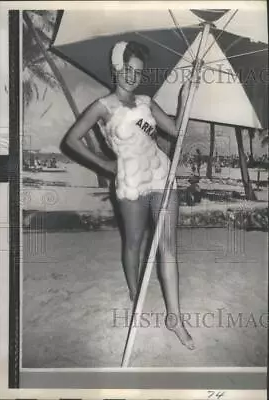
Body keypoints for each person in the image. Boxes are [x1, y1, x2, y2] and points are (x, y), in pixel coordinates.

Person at [61, 40, 194, 350]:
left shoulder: (147, 101)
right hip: (130, 183)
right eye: (127, 69)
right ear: (116, 68)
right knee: (133, 242)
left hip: (161, 175)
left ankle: (174, 317)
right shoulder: (102, 106)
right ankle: (135, 293)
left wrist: (185, 96)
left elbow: (175, 131)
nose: (133, 76)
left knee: (168, 246)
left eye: (138, 72)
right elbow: (71, 140)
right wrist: (105, 164)